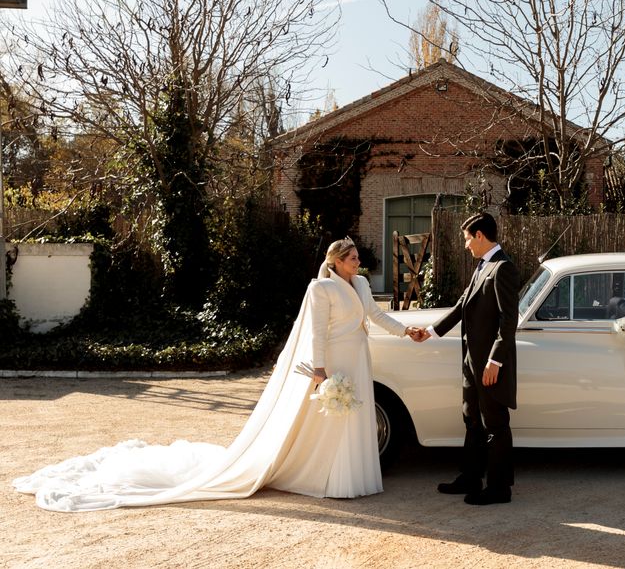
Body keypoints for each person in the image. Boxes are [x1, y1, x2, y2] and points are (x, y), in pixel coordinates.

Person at [13, 238, 414, 511]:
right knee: (332, 420)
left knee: (356, 414)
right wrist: (321, 370)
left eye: (358, 257)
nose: (358, 261)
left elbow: (375, 316)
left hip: (359, 357)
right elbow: (314, 333)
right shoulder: (320, 289)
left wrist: (406, 329)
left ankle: (360, 477)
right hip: (336, 361)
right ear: (335, 261)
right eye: (352, 257)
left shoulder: (361, 284)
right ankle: (333, 479)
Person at [410, 212, 519, 505]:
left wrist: (495, 362)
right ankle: (470, 477)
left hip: (489, 365)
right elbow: (462, 306)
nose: (466, 245)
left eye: (468, 239)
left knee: (495, 423)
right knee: (471, 419)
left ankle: (499, 489)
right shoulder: (483, 266)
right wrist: (430, 332)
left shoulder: (502, 268)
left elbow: (509, 321)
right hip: (472, 362)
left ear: (480, 235)